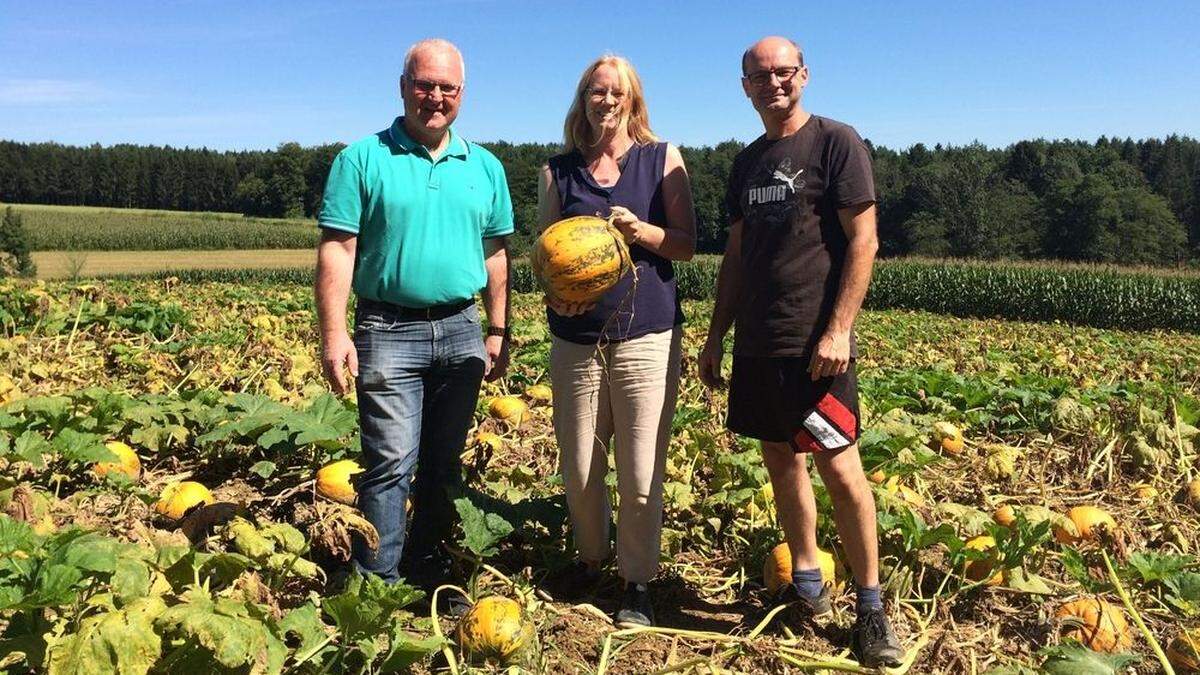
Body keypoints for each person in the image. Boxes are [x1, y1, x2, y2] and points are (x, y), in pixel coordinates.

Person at [698, 36, 904, 667]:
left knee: (841, 471)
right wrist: (716, 334)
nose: (773, 83)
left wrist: (839, 328)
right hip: (760, 344)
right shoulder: (747, 162)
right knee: (782, 464)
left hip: (817, 346)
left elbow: (864, 241)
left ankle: (870, 606)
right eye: (759, 75)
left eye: (783, 72)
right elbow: (736, 257)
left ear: (804, 76)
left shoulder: (837, 142)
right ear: (745, 86)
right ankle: (807, 583)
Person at [314, 38, 513, 609]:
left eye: (447, 88)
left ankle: (428, 568)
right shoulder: (362, 158)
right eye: (425, 85)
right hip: (388, 328)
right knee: (390, 462)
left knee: (442, 462)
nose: (435, 97)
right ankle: (377, 588)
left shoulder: (485, 166)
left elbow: (496, 252)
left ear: (462, 94)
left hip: (462, 328)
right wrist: (333, 333)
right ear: (403, 87)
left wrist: (497, 328)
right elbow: (338, 248)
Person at [536, 54, 696, 627]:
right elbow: (545, 256)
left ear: (633, 100)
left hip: (646, 335)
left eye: (616, 93)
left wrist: (643, 232)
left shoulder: (662, 159)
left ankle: (636, 581)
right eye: (595, 92)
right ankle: (590, 557)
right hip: (575, 338)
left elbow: (685, 243)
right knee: (580, 463)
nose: (606, 101)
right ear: (582, 100)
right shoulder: (558, 172)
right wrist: (557, 296)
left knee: (640, 466)